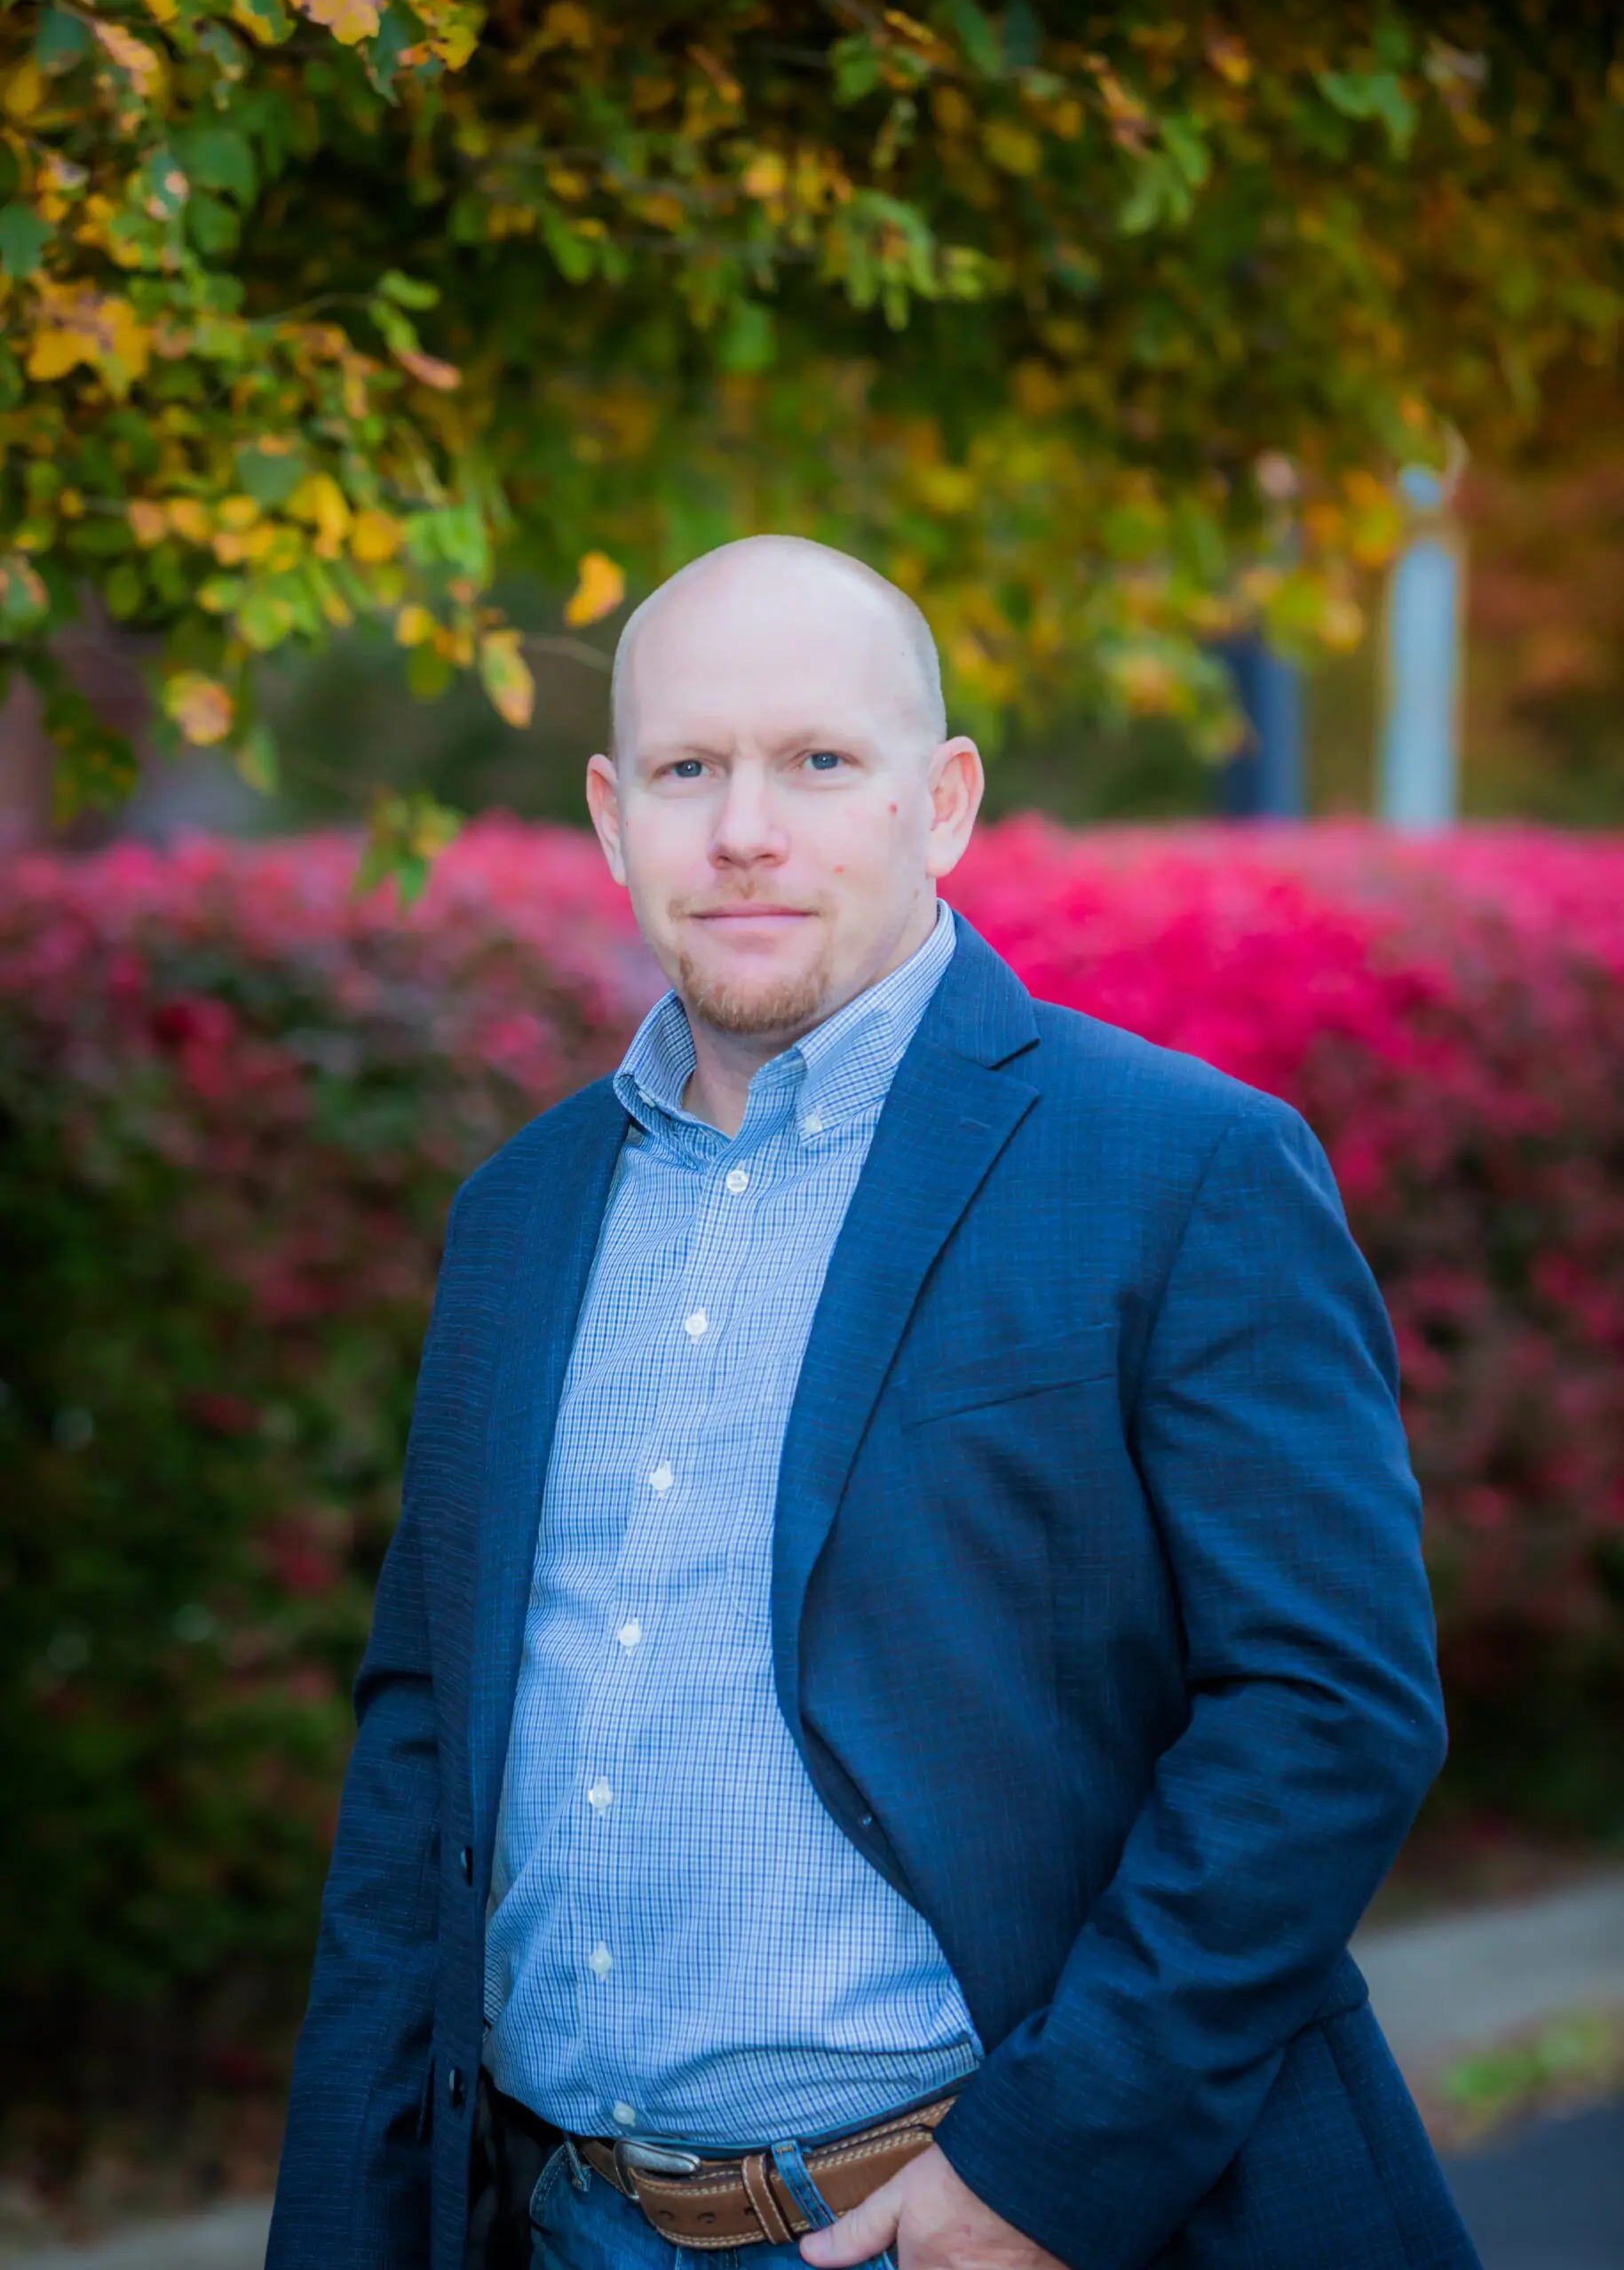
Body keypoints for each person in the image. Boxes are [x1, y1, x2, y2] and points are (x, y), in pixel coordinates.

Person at [267, 536, 1481, 2270]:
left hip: (979, 2220)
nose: (743, 828)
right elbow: (421, 1750)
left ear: (942, 799)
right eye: (689, 769)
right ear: (613, 817)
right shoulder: (518, 1218)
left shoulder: (1174, 1167)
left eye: (817, 762)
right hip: (556, 2220)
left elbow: (1327, 1707)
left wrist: (1042, 2171)